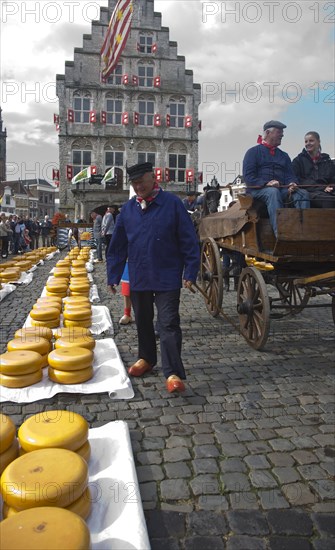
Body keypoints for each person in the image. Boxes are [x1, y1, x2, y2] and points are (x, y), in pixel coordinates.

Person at [106, 162, 200, 393]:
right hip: (140, 273)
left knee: (168, 323)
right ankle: (146, 359)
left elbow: (188, 239)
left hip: (167, 273)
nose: (138, 187)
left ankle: (173, 372)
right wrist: (113, 275)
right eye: (134, 183)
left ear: (153, 178)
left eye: (141, 182)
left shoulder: (172, 204)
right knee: (144, 320)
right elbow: (117, 246)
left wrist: (190, 271)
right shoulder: (127, 210)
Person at [243, 120, 310, 237]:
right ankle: (280, 235)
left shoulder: (284, 155)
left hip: (281, 190)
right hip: (257, 191)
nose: (282, 135)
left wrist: (292, 183)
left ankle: (303, 232)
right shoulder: (252, 152)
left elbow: (290, 175)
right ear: (268, 133)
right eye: (279, 132)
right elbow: (249, 177)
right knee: (272, 192)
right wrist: (266, 183)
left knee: (302, 194)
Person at [292, 131, 335, 208]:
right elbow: (298, 180)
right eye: (306, 141)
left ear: (318, 142)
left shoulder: (327, 161)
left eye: (311, 140)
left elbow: (333, 178)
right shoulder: (298, 161)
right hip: (309, 192)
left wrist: (331, 187)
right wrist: (322, 187)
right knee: (329, 201)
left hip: (328, 192)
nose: (308, 143)